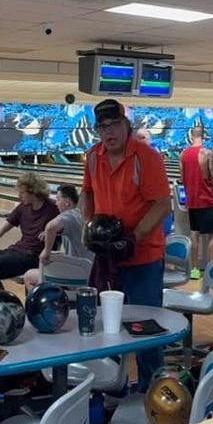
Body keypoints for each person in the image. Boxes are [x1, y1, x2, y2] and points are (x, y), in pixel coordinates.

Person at [79, 99, 170, 386]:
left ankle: (151, 388)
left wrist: (134, 238)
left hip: (143, 257)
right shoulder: (93, 156)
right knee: (107, 327)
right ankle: (112, 385)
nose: (109, 132)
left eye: (115, 124)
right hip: (107, 258)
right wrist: (88, 225)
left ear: (126, 125)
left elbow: (163, 205)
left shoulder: (146, 157)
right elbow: (87, 193)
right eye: (103, 127)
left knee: (146, 329)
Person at [0, 171, 56, 280]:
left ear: (33, 191)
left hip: (33, 257)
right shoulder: (22, 208)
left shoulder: (53, 208)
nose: (19, 195)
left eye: (22, 192)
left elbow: (72, 218)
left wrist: (53, 230)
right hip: (16, 252)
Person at [179, 126, 213, 280]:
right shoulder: (207, 153)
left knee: (194, 234)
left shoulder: (183, 154)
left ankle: (195, 270)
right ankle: (212, 271)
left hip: (193, 201)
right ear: (204, 136)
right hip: (208, 200)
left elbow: (182, 179)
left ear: (191, 136)